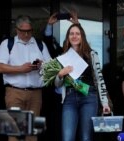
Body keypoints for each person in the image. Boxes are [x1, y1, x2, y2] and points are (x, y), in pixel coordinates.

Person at [0, 15, 51, 141]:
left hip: (35, 94)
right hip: (14, 92)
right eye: (23, 31)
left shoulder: (40, 44)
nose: (26, 34)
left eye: (29, 31)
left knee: (32, 132)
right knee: (14, 131)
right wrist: (21, 69)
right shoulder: (7, 44)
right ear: (17, 30)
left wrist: (42, 65)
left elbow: (51, 68)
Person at [54, 23, 111, 141]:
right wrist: (60, 74)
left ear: (82, 36)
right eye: (71, 34)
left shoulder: (92, 54)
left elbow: (100, 80)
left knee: (86, 137)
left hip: (89, 97)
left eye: (77, 34)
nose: (74, 36)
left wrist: (105, 103)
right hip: (69, 98)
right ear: (68, 37)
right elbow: (57, 85)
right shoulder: (63, 57)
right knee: (67, 138)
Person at [41, 11, 79, 141]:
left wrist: (76, 24)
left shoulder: (81, 53)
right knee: (56, 128)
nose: (72, 41)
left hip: (76, 95)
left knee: (75, 129)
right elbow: (47, 43)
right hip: (58, 97)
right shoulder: (58, 53)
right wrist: (49, 25)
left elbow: (82, 41)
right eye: (68, 39)